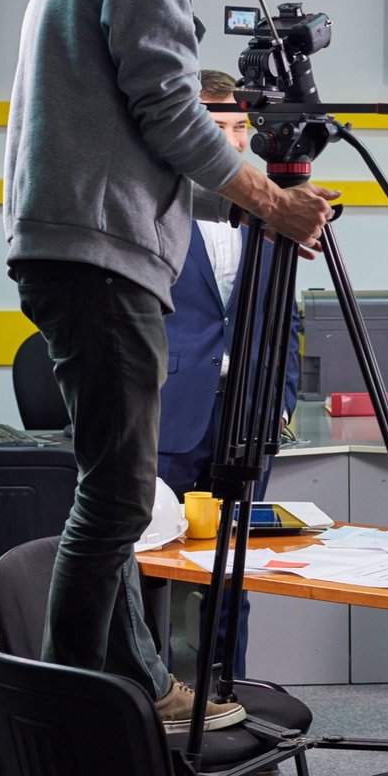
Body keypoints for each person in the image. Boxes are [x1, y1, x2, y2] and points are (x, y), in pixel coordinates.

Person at [2, 0, 337, 733]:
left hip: (68, 245)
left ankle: (144, 684)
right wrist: (271, 200)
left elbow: (134, 135)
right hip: (101, 256)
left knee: (109, 493)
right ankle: (72, 724)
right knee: (116, 500)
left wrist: (248, 202)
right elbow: (169, 111)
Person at [156, 69, 302, 674]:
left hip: (246, 416)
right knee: (152, 569)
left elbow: (285, 320)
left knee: (234, 575)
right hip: (165, 415)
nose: (234, 140)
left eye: (242, 127)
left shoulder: (276, 209)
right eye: (217, 128)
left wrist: (282, 401)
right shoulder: (153, 207)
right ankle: (145, 704)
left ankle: (228, 699)